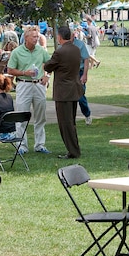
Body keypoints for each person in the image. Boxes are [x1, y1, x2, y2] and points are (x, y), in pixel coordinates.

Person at [7, 26, 51, 155]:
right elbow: (10, 70)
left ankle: (40, 145)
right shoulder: (17, 52)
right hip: (24, 84)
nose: (36, 39)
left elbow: (49, 64)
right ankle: (21, 145)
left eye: (37, 37)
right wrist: (24, 72)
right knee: (21, 115)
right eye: (34, 37)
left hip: (38, 85)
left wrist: (46, 76)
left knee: (40, 116)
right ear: (26, 38)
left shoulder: (41, 51)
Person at [44, 25, 84, 159]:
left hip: (63, 91)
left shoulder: (60, 52)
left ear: (59, 37)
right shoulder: (76, 50)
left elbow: (48, 66)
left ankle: (73, 151)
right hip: (74, 89)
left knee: (65, 123)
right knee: (71, 121)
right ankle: (74, 148)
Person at [71, 31, 93, 125]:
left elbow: (86, 59)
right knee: (70, 98)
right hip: (68, 74)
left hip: (79, 72)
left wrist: (85, 74)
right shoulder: (63, 45)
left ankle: (87, 114)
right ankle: (71, 119)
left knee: (80, 96)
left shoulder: (80, 44)